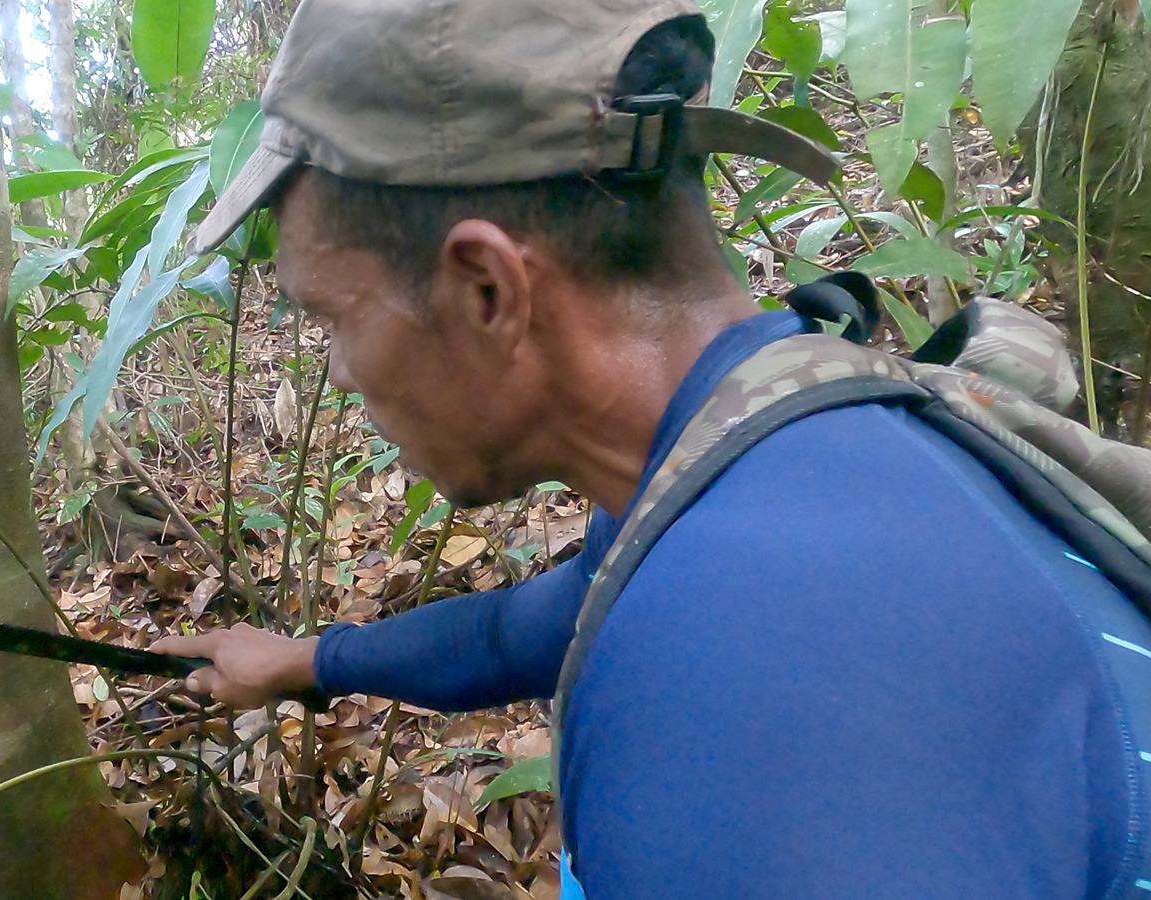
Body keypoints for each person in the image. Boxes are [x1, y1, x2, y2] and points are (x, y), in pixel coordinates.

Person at [151, 0, 1149, 895]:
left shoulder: (742, 694)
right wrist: (305, 662)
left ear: (487, 290)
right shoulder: (771, 447)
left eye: (333, 316)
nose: (340, 369)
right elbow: (531, 628)